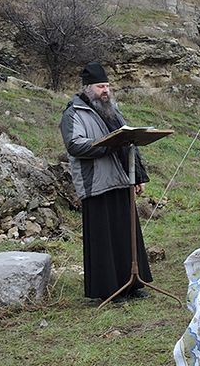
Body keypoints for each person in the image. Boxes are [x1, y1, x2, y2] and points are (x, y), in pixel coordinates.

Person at [60, 62, 153, 302]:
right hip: (97, 185)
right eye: (101, 86)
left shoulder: (112, 109)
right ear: (88, 88)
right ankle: (110, 291)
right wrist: (107, 144)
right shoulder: (74, 113)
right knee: (104, 240)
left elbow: (128, 142)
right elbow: (74, 145)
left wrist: (138, 176)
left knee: (126, 235)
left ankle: (132, 285)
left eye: (108, 86)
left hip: (122, 180)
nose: (106, 91)